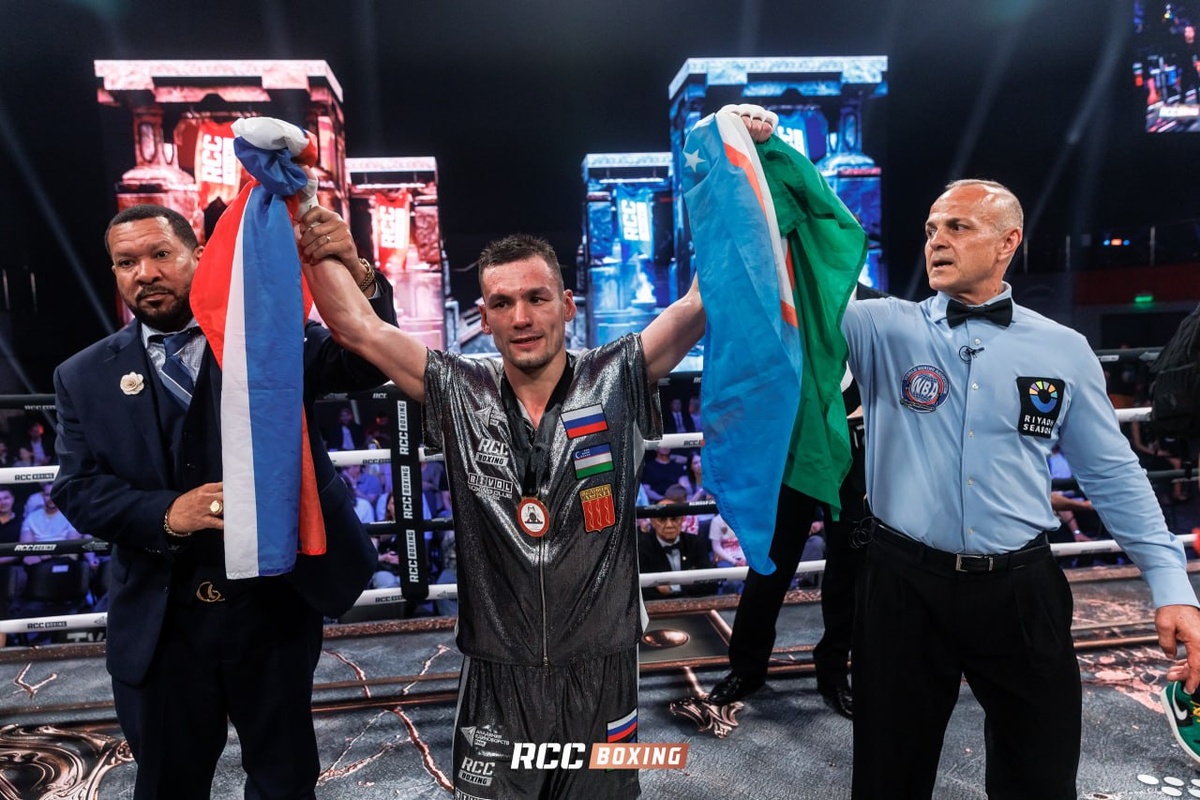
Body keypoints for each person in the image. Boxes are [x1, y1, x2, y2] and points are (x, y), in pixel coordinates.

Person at [297, 111, 769, 796]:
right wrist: (309, 218)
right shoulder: (456, 387)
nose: (521, 317)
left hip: (602, 668)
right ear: (483, 316)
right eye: (503, 302)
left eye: (537, 298)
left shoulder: (619, 374)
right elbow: (356, 327)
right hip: (497, 674)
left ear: (567, 305)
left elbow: (704, 297)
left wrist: (736, 162)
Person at [841, 179, 1200, 799]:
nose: (937, 241)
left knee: (1040, 778)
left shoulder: (1063, 348)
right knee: (887, 779)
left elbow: (1112, 473)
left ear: (1008, 242)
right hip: (902, 586)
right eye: (931, 229)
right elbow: (790, 288)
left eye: (958, 227)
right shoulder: (877, 326)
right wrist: (761, 157)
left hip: (1019, 589)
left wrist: (1171, 585)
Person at [51, 203, 395, 800]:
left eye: (161, 254)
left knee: (284, 783)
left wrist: (356, 271)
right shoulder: (81, 376)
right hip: (162, 619)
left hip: (272, 604)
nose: (145, 273)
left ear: (200, 256)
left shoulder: (264, 336)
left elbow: (364, 362)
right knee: (167, 785)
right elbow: (77, 488)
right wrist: (168, 514)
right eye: (126, 262)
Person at [639, 485, 717, 600]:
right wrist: (689, 586)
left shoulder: (696, 542)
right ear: (653, 522)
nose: (669, 525)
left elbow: (710, 585)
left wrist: (673, 588)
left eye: (674, 518)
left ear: (682, 520)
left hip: (694, 606)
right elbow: (643, 592)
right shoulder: (641, 546)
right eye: (662, 519)